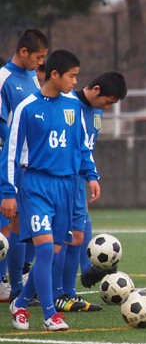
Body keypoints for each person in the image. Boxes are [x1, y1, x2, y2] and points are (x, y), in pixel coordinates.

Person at [0, 49, 101, 331]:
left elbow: (82, 146)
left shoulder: (73, 106)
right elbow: (9, 154)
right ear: (54, 75)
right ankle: (49, 315)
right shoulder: (27, 108)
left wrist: (91, 176)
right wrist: (8, 192)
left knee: (53, 252)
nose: (75, 81)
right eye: (71, 76)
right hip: (36, 185)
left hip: (67, 187)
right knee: (45, 251)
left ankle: (19, 304)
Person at [53, 71, 128, 313]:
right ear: (96, 90)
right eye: (107, 102)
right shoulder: (66, 105)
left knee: (78, 233)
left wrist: (90, 176)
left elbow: (86, 148)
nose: (107, 107)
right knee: (57, 240)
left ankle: (73, 289)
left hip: (78, 181)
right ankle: (50, 292)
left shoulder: (97, 111)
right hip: (58, 180)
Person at [0, 29, 49, 303]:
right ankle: (9, 283)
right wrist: (19, 145)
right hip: (9, 161)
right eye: (38, 57)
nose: (41, 63)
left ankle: (22, 280)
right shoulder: (3, 78)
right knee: (8, 223)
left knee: (27, 221)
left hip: (32, 163)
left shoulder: (32, 76)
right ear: (23, 52)